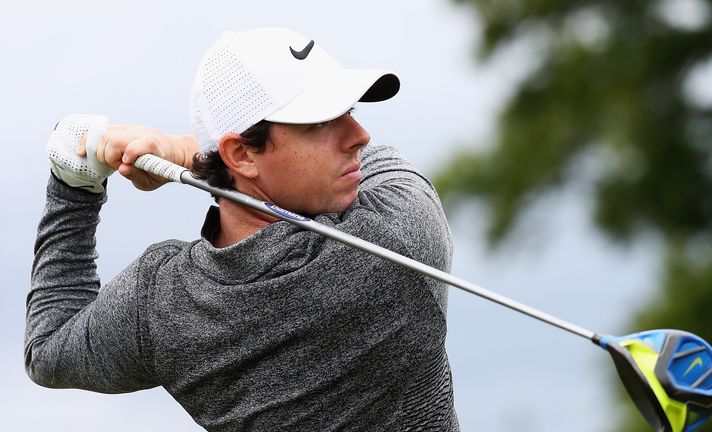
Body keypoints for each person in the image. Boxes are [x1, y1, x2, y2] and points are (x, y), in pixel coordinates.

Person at [27, 27, 458, 431]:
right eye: (321, 122)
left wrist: (74, 186)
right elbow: (383, 162)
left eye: (349, 111)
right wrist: (185, 152)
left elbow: (46, 349)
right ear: (242, 155)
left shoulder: (160, 307)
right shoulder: (397, 237)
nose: (359, 134)